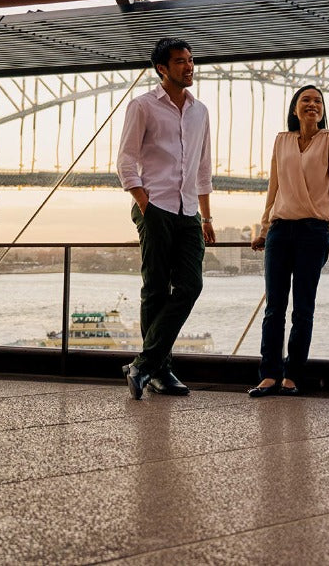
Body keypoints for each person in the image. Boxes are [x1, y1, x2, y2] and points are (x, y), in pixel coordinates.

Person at [116, 37, 216, 399]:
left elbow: (202, 166)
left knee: (191, 285)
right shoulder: (142, 106)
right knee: (155, 288)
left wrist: (206, 217)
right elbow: (126, 159)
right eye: (180, 62)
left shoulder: (200, 111)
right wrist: (144, 202)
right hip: (154, 206)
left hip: (189, 211)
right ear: (162, 68)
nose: (189, 67)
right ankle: (161, 371)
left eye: (191, 60)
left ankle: (143, 365)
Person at [249, 85, 329, 397]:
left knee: (303, 309)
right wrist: (263, 228)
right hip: (280, 231)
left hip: (313, 232)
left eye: (318, 101)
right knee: (274, 308)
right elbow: (273, 188)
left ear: (323, 110)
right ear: (295, 109)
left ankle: (292, 376)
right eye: (305, 100)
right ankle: (268, 375)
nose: (312, 105)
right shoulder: (281, 140)